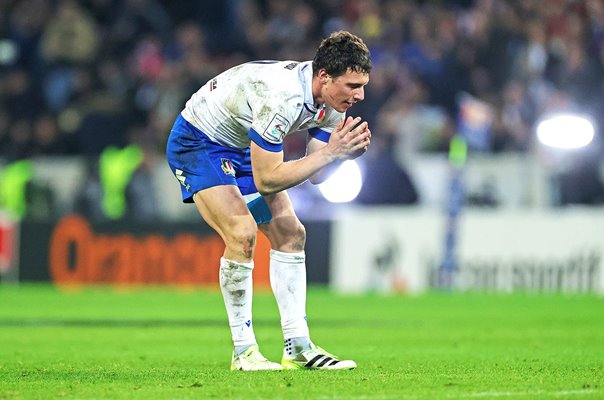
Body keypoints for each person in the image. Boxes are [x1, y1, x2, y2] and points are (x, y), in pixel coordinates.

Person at [166, 31, 372, 371]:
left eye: (362, 85)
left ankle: (298, 347)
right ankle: (243, 352)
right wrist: (332, 153)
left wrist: (339, 155)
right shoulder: (283, 98)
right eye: (352, 85)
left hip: (243, 144)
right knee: (242, 232)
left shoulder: (333, 103)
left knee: (291, 233)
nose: (360, 95)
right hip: (199, 141)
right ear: (324, 76)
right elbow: (267, 179)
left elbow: (316, 172)